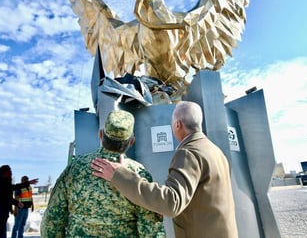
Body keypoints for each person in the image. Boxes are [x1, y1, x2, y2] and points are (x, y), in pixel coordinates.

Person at [92, 101, 238, 238]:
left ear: (178, 125)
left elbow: (171, 202)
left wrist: (119, 175)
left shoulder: (189, 153)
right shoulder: (214, 150)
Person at [41, 110, 166, 237]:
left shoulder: (74, 168)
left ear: (100, 134)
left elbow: (52, 220)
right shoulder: (138, 174)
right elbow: (151, 229)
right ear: (132, 141)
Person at [0, 165, 38, 238]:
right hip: (0, 212)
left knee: (4, 230)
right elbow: (11, 190)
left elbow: (8, 197)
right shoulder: (0, 183)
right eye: (9, 171)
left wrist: (17, 203)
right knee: (1, 231)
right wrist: (16, 206)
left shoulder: (5, 182)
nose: (11, 172)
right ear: (4, 173)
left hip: (5, 212)